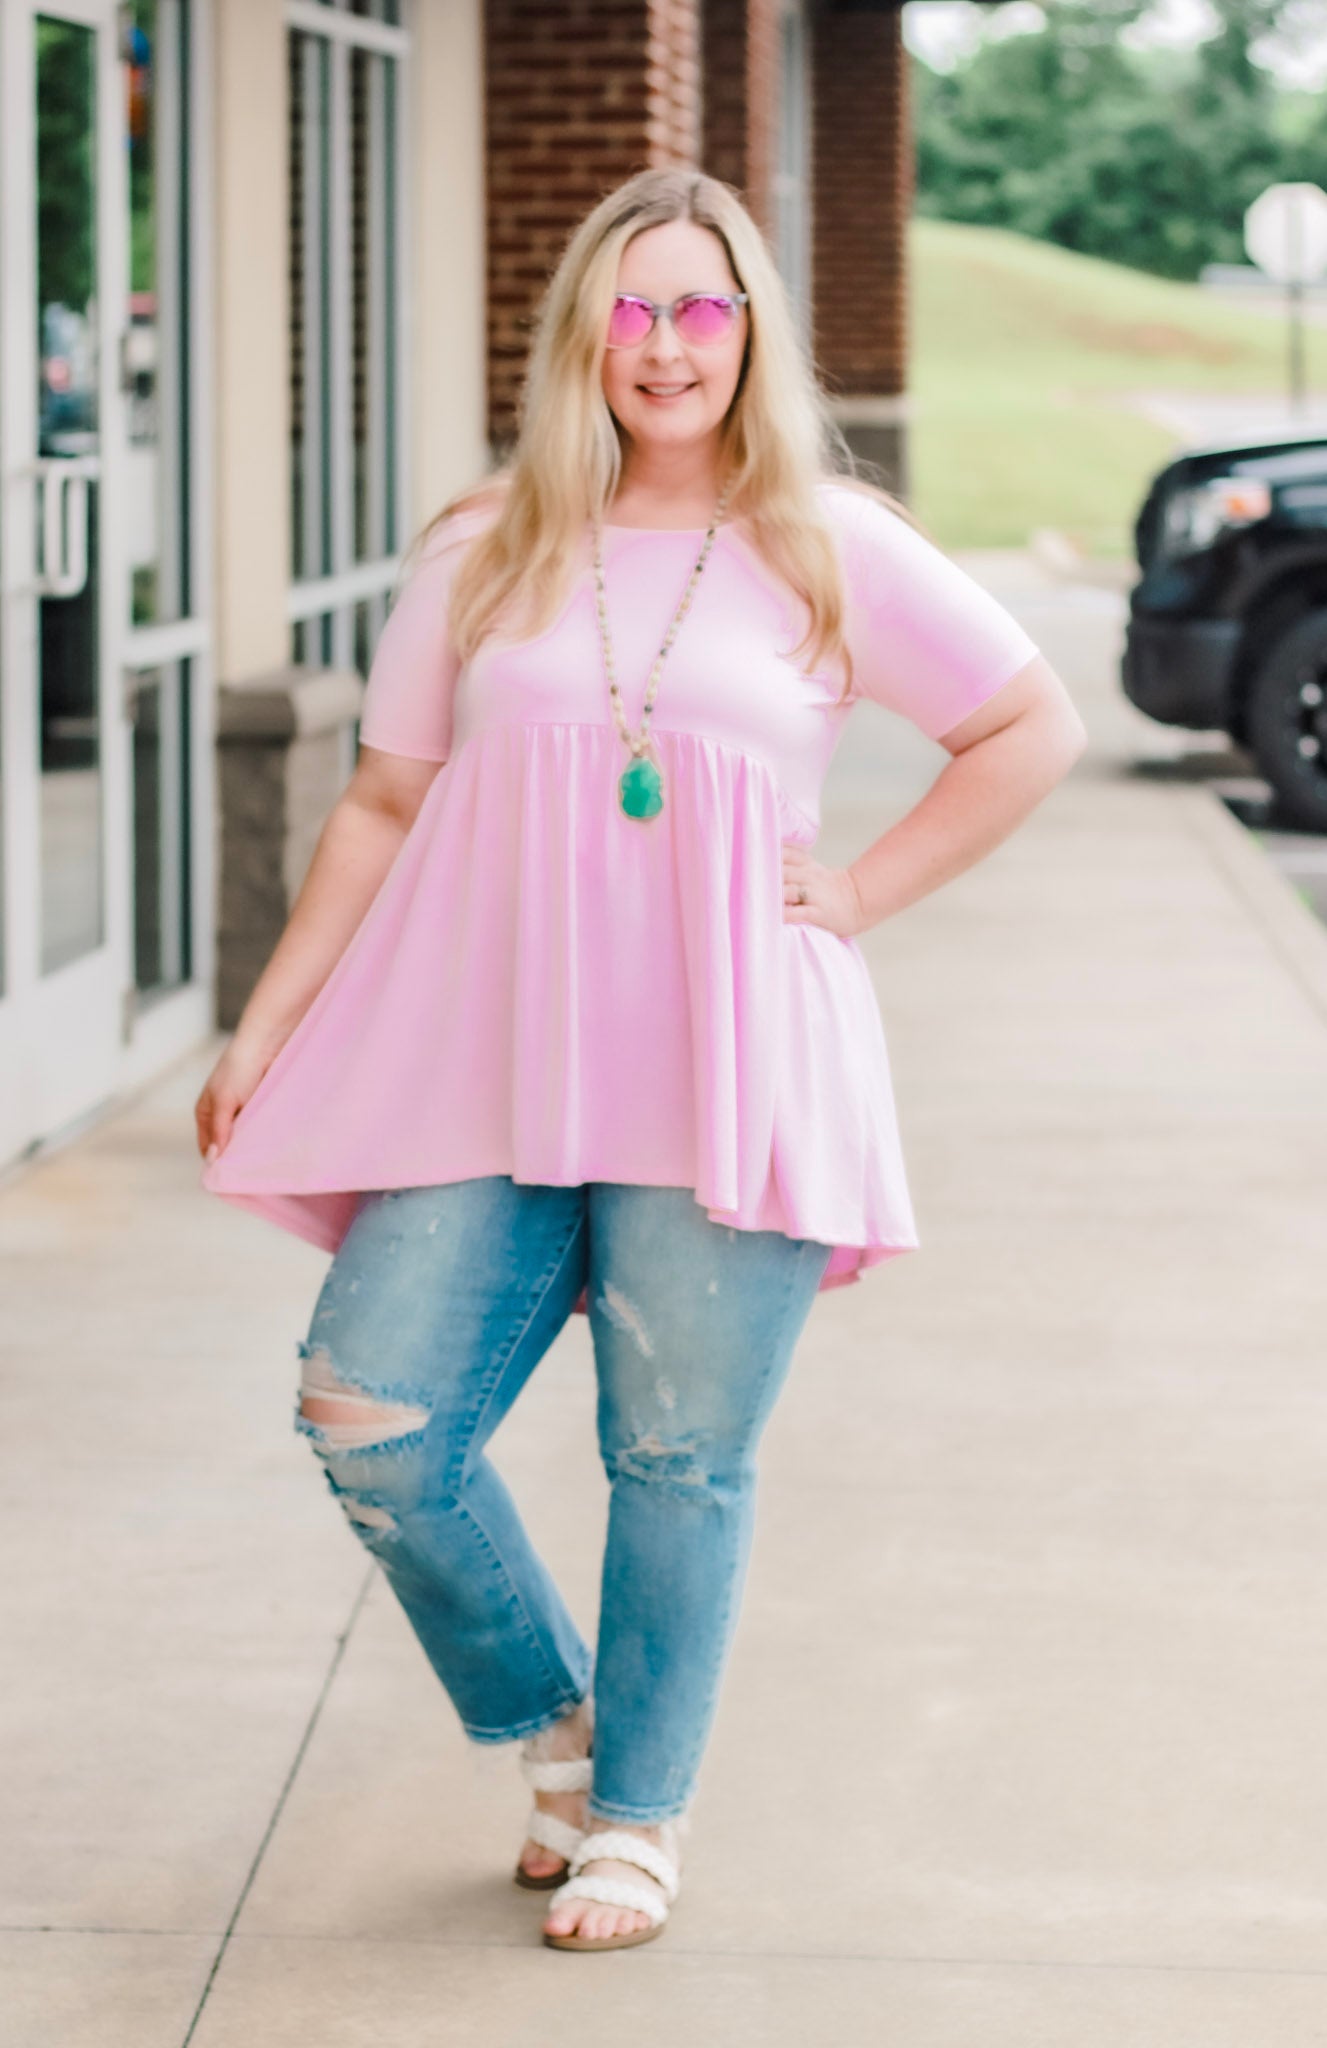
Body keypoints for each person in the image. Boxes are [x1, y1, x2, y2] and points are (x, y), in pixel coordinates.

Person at [194, 166, 1087, 1954]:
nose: (664, 344)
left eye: (699, 307)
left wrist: (857, 891)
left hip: (733, 1063)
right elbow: (383, 801)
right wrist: (265, 1019)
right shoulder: (482, 545)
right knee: (373, 1415)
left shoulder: (827, 543)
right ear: (580, 336)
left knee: (676, 1457)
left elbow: (1025, 723)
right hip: (487, 1058)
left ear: (748, 330)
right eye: (630, 306)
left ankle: (638, 1817)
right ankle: (558, 1728)